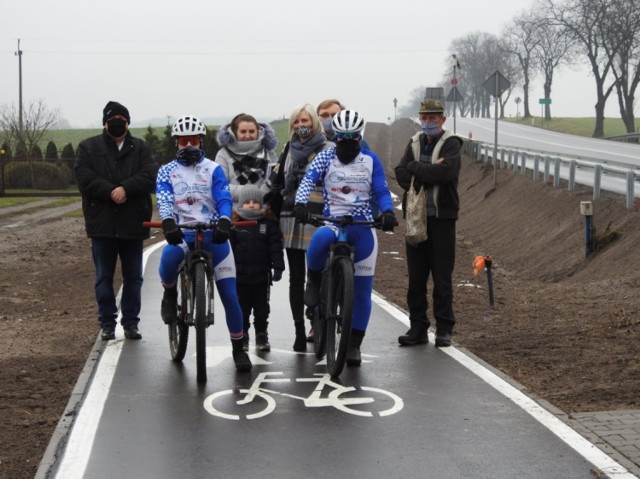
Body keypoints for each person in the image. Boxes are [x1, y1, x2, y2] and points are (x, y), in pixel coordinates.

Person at [293, 109, 397, 366]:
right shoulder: (325, 157)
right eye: (342, 138)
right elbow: (308, 181)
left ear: (359, 137)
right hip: (333, 220)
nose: (347, 143)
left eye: (353, 138)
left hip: (362, 225)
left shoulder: (371, 160)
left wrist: (387, 212)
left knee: (362, 291)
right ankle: (314, 280)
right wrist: (300, 203)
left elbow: (382, 189)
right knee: (317, 241)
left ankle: (354, 344)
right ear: (335, 137)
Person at [156, 115, 252, 371]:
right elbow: (164, 199)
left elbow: (223, 197)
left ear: (201, 142)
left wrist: (223, 219)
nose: (189, 146)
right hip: (184, 233)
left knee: (231, 297)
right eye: (184, 141)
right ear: (176, 143)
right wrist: (167, 221)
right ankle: (170, 293)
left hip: (213, 235)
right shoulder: (166, 171)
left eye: (194, 140)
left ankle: (238, 348)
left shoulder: (213, 168)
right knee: (167, 259)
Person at [75, 101, 158, 341]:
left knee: (134, 276)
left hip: (133, 223)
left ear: (128, 122)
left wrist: (126, 188)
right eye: (113, 118)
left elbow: (150, 174)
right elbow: (84, 178)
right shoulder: (88, 147)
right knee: (103, 276)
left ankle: (131, 322)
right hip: (102, 224)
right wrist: (111, 190)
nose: (117, 121)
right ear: (105, 122)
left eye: (122, 117)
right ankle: (107, 323)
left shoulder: (141, 148)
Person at [393, 99, 463, 348]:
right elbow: (401, 172)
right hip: (415, 218)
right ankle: (417, 328)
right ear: (420, 119)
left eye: (434, 117)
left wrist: (417, 170)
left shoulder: (452, 143)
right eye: (425, 117)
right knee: (416, 277)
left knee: (442, 276)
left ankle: (444, 329)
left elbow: (447, 173)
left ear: (443, 119)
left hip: (442, 219)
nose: (429, 122)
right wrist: (424, 169)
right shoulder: (414, 143)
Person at [268, 103, 333, 351]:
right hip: (291, 216)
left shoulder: (328, 149)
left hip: (317, 217)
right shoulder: (288, 149)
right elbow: (278, 178)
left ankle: (318, 322)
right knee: (296, 277)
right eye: (297, 122)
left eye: (305, 121)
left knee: (318, 273)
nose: (301, 126)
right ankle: (298, 330)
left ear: (314, 123)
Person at [230, 185, 285, 352]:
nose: (252, 205)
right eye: (247, 202)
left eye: (256, 202)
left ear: (262, 205)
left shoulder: (268, 225)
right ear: (240, 205)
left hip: (262, 277)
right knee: (242, 309)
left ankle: (261, 335)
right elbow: (229, 250)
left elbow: (275, 247)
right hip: (240, 277)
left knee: (262, 310)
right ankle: (243, 335)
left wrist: (278, 267)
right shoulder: (235, 225)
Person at [215, 113, 278, 206]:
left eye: (252, 131)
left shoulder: (269, 153)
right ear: (235, 132)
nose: (248, 136)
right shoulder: (223, 154)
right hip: (234, 213)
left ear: (258, 132)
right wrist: (255, 193)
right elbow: (221, 188)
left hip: (263, 210)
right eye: (243, 132)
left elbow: (274, 182)